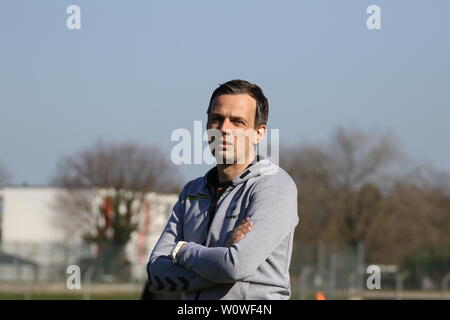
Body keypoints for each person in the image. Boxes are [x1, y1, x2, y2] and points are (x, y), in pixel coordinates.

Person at [147, 79, 300, 300]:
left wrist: (181, 251)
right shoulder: (191, 192)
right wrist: (220, 260)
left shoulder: (274, 185)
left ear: (259, 133)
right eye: (217, 119)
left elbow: (235, 267)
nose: (224, 129)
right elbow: (156, 274)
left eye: (237, 122)